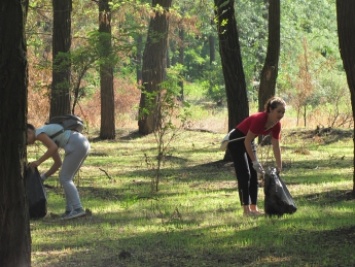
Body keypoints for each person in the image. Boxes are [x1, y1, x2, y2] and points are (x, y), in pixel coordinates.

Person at [228, 96, 286, 216]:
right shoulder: (260, 119)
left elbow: (276, 146)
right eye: (278, 111)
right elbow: (246, 141)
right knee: (245, 174)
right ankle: (246, 210)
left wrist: (279, 165)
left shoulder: (276, 125)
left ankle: (254, 208)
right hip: (237, 141)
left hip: (248, 141)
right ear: (270, 109)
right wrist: (254, 162)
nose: (281, 115)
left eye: (283, 112)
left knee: (254, 174)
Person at [27, 122, 90, 220]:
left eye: (26, 139)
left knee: (65, 178)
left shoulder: (39, 133)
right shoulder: (46, 136)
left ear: (29, 132)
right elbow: (58, 163)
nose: (27, 143)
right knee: (67, 179)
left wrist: (38, 162)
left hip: (76, 143)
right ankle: (69, 211)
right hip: (81, 143)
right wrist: (43, 177)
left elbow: (53, 148)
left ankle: (78, 209)